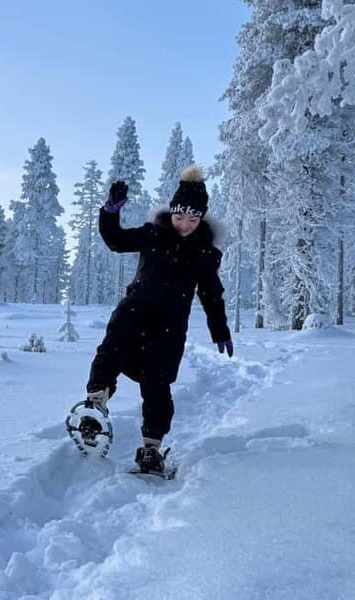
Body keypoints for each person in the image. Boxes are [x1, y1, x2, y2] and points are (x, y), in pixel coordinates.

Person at [86, 165, 232, 474]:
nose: (184, 225)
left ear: (201, 218)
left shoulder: (205, 253)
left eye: (192, 219)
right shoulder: (153, 233)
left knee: (158, 382)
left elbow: (211, 293)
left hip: (170, 325)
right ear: (172, 212)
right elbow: (115, 240)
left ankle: (151, 447)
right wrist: (110, 210)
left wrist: (219, 329)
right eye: (180, 217)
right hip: (135, 310)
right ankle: (95, 403)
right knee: (111, 351)